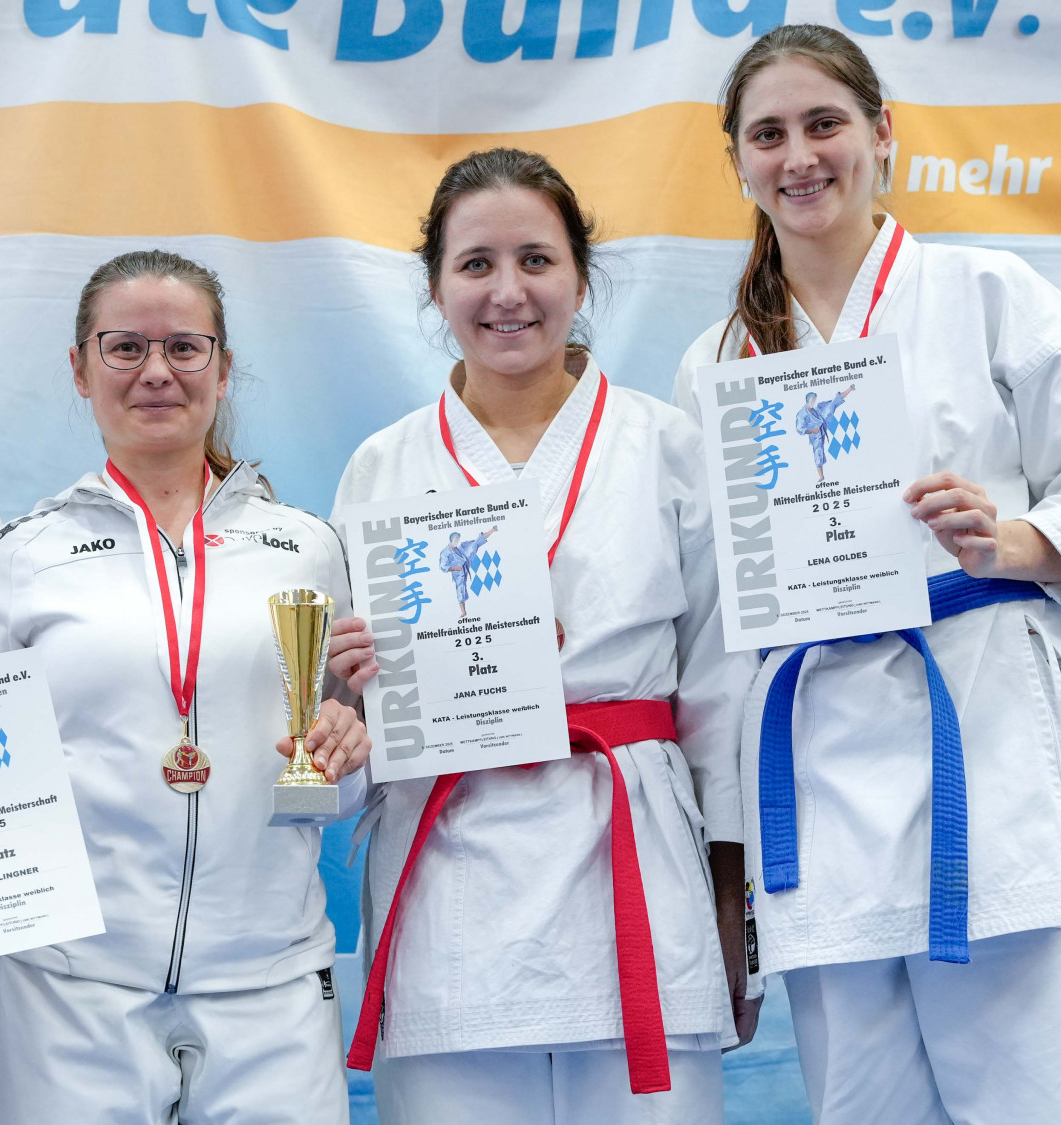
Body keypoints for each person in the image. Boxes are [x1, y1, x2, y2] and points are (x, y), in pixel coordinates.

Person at [673, 25, 1061, 1125]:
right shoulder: (716, 364)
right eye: (769, 134)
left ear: (883, 132)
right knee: (865, 1103)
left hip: (990, 741)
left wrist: (1015, 542)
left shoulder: (989, 290)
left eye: (825, 124)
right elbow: (713, 617)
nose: (799, 156)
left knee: (1057, 1094)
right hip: (814, 772)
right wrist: (726, 852)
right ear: (739, 162)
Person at [0, 249, 373, 1125]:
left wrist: (348, 754)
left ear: (224, 367)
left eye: (184, 347)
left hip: (270, 982)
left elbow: (337, 785)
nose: (156, 371)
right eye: (124, 347)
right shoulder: (22, 554)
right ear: (80, 370)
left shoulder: (307, 547)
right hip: (63, 988)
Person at [330, 148, 758, 1125]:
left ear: (581, 275)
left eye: (536, 259)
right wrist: (348, 689)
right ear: (435, 286)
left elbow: (722, 691)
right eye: (475, 264)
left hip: (634, 867)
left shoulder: (667, 446)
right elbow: (344, 729)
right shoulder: (381, 468)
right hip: (452, 890)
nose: (507, 292)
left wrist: (734, 903)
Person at [796, 384, 854, 483]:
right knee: (818, 452)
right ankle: (821, 476)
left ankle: (849, 389)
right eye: (812, 400)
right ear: (808, 400)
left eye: (815, 399)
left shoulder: (814, 409)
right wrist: (812, 431)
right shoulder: (802, 413)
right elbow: (799, 428)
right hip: (815, 434)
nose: (814, 401)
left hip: (822, 421)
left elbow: (827, 407)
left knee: (831, 405)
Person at [438, 525, 497, 616]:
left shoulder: (457, 548)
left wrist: (474, 542)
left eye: (458, 540)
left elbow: (467, 547)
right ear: (451, 540)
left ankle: (491, 530)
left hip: (465, 560)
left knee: (474, 545)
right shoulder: (445, 552)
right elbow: (443, 566)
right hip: (458, 572)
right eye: (456, 540)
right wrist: (455, 568)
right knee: (460, 589)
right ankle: (463, 611)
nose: (457, 541)